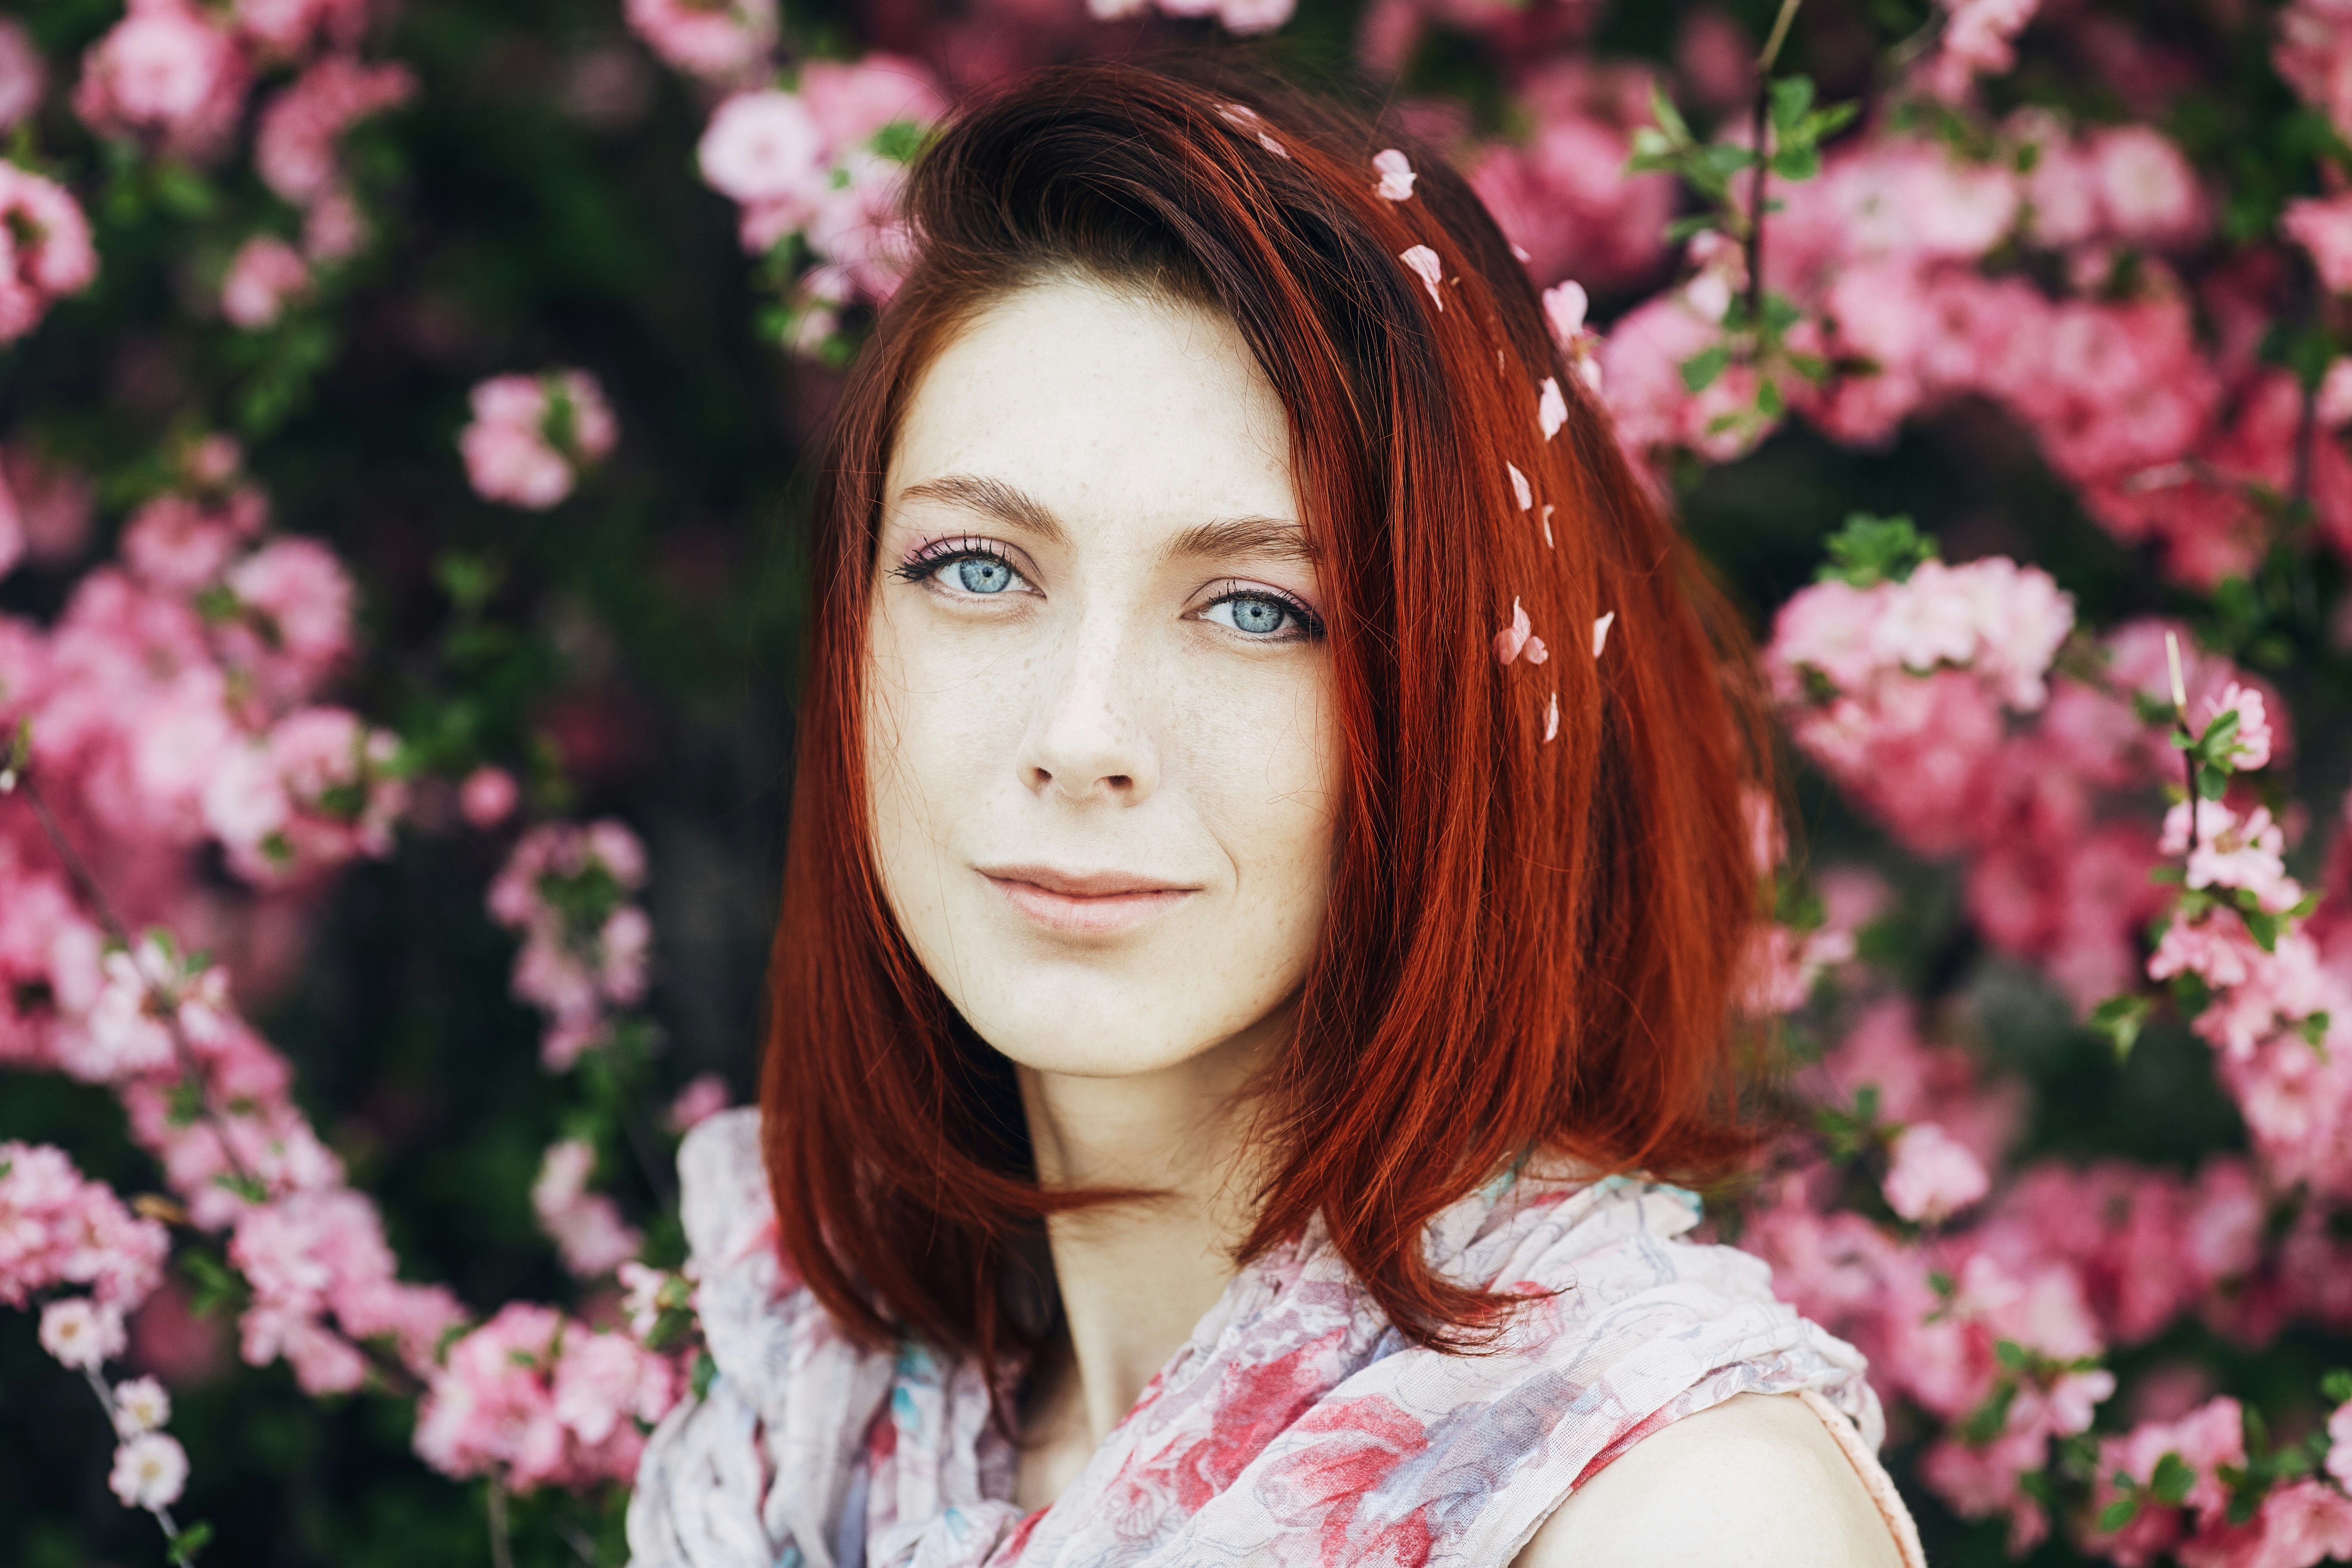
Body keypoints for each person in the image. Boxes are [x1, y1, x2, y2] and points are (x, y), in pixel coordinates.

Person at [628, 55, 1923, 1568]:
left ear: (1461, 714)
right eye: (976, 569)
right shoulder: (807, 1422)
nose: (1082, 739)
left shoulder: (1674, 1517)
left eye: (1257, 607)